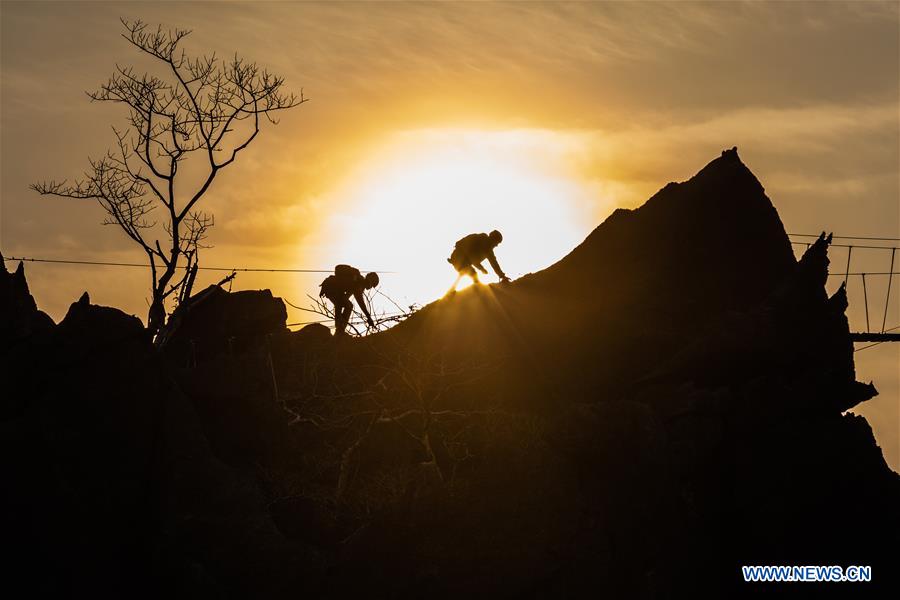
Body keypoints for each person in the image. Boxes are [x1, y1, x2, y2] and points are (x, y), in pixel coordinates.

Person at [319, 264, 379, 335]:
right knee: (346, 305)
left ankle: (340, 328)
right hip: (331, 288)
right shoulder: (359, 283)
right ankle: (340, 329)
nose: (370, 287)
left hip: (330, 287)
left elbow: (345, 297)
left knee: (344, 304)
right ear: (370, 281)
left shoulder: (357, 281)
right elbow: (360, 302)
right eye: (372, 285)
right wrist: (369, 317)